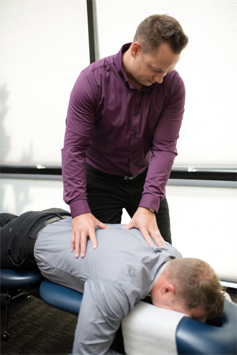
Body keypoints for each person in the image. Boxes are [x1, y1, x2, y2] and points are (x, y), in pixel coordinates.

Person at [1, 210, 225, 355]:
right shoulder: (119, 285)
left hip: (58, 219)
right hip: (22, 239)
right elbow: (86, 352)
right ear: (168, 289)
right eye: (183, 314)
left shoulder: (170, 251)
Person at [61, 14, 189, 258]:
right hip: (99, 181)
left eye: (168, 70)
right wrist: (79, 210)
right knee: (99, 258)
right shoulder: (92, 81)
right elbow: (74, 149)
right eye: (155, 69)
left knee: (163, 256)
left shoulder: (172, 85)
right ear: (136, 49)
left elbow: (164, 148)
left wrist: (149, 204)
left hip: (144, 179)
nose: (161, 79)